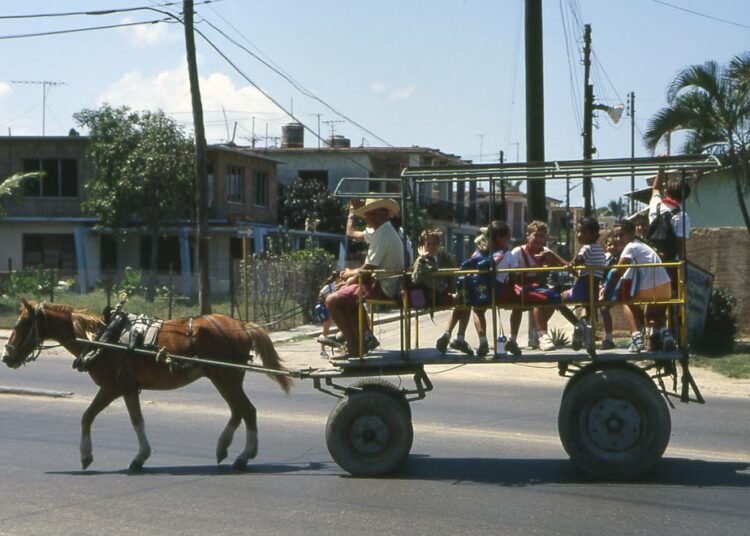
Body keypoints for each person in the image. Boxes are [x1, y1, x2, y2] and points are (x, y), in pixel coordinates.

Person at [327, 198, 405, 356]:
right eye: (368, 214)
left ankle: (353, 345)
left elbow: (368, 268)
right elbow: (368, 268)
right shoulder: (384, 231)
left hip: (385, 286)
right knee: (346, 295)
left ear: (383, 214)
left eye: (372, 214)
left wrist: (349, 277)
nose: (369, 218)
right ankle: (362, 336)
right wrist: (349, 279)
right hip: (385, 282)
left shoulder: (383, 233)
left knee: (332, 300)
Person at [436, 221, 517, 357]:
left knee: (467, 304)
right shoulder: (507, 255)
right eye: (508, 237)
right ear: (500, 239)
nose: (509, 240)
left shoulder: (479, 254)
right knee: (478, 309)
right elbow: (514, 276)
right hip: (496, 291)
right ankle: (468, 339)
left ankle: (459, 336)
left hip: (476, 288)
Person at [601, 219, 675, 353]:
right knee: (652, 314)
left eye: (622, 235)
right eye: (616, 236)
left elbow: (618, 272)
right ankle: (665, 334)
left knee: (626, 300)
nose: (618, 239)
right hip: (665, 287)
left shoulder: (630, 247)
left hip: (650, 288)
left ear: (632, 234)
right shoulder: (643, 246)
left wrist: (606, 294)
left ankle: (636, 337)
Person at [509, 221, 579, 353]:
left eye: (542, 236)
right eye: (536, 235)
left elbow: (566, 267)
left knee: (553, 298)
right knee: (522, 305)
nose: (539, 239)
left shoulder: (545, 252)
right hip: (519, 286)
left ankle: (543, 333)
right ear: (528, 236)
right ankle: (516, 338)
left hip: (537, 288)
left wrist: (553, 256)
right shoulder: (517, 252)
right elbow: (510, 273)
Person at [545, 217, 607, 351]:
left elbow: (574, 263)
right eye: (578, 232)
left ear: (593, 234)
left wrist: (555, 257)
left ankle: (578, 325)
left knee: (558, 300)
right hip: (594, 285)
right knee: (586, 307)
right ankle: (584, 328)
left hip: (582, 285)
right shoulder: (599, 250)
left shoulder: (586, 248)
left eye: (582, 232)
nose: (579, 235)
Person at [411, 228, 450, 306]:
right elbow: (415, 279)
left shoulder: (433, 259)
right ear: (422, 246)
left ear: (438, 245)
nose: (432, 247)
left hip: (435, 293)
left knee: (463, 301)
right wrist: (422, 259)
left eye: (434, 243)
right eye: (428, 244)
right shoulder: (421, 260)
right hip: (429, 296)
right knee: (463, 301)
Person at [599, 232, 623, 350]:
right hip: (606, 287)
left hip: (618, 288)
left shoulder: (621, 258)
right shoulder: (605, 258)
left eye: (615, 245)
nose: (612, 247)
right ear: (605, 246)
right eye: (609, 245)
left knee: (604, 308)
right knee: (597, 307)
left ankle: (608, 338)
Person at [314, 271, 340, 358]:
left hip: (331, 309)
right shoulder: (329, 287)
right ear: (337, 278)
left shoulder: (337, 286)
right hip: (324, 310)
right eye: (341, 278)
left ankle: (339, 346)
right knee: (326, 331)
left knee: (341, 327)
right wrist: (326, 302)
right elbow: (320, 296)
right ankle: (322, 351)